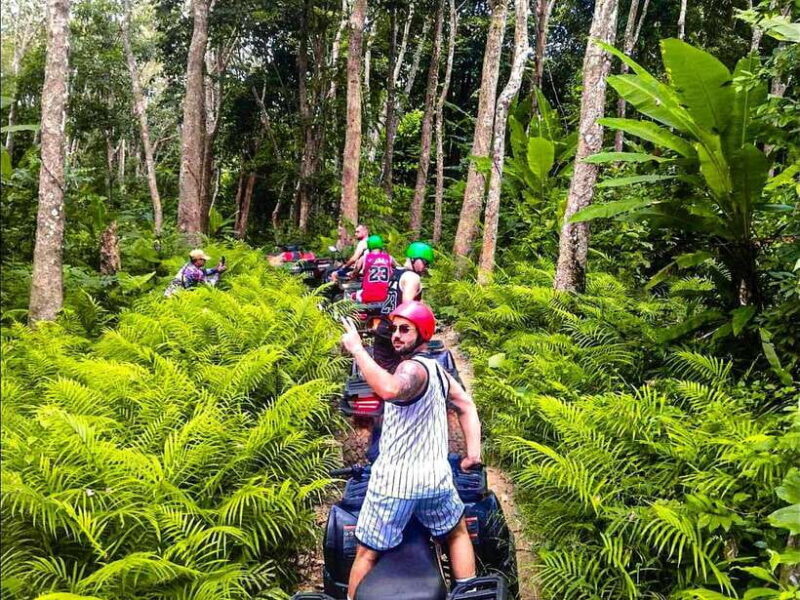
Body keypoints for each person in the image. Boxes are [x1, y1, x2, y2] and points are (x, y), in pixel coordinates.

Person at [340, 301, 481, 599]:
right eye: (395, 329)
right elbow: (466, 405)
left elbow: (390, 389)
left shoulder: (411, 369)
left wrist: (356, 349)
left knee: (366, 553)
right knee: (456, 533)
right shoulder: (439, 370)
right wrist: (473, 455)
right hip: (435, 482)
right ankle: (468, 592)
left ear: (423, 333)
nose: (396, 336)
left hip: (395, 486)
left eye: (406, 330)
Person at [371, 241, 434, 372]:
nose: (425, 267)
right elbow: (408, 307)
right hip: (396, 332)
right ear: (414, 259)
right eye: (425, 263)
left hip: (384, 327)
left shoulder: (396, 272)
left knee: (384, 369)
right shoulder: (412, 277)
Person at [354, 235, 394, 303]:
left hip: (367, 297)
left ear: (369, 246)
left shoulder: (364, 258)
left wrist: (353, 275)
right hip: (386, 296)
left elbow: (355, 272)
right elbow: (399, 268)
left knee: (351, 295)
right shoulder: (389, 258)